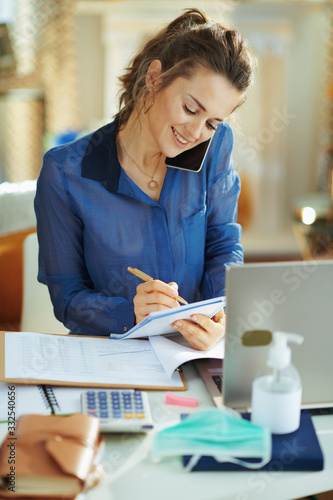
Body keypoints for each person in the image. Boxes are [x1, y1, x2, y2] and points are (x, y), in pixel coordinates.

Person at [34, 8, 256, 350]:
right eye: (191, 109)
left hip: (189, 355)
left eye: (213, 122)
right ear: (154, 77)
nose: (197, 132)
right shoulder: (65, 173)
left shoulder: (215, 147)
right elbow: (66, 297)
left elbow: (223, 245)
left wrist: (220, 316)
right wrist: (130, 312)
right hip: (110, 355)